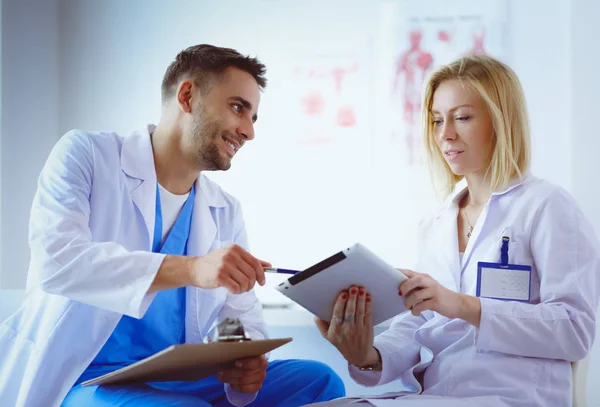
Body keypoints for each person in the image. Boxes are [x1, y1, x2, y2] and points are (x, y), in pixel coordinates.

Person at [0, 44, 345, 407]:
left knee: (319, 381)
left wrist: (241, 355)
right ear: (187, 96)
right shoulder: (86, 155)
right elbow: (57, 263)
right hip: (85, 378)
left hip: (179, 380)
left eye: (253, 118)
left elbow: (235, 315)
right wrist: (192, 269)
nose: (248, 131)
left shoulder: (224, 210)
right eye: (238, 108)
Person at [309, 55, 600, 407]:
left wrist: (461, 305)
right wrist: (366, 354)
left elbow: (574, 331)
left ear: (501, 121)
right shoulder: (435, 225)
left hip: (514, 396)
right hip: (436, 396)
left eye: (461, 117)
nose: (445, 134)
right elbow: (417, 328)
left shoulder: (547, 207)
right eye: (436, 120)